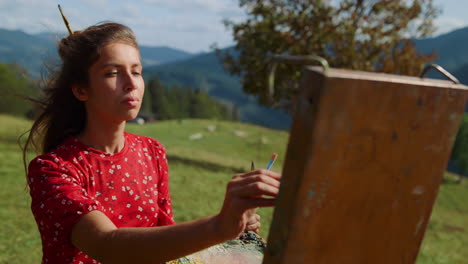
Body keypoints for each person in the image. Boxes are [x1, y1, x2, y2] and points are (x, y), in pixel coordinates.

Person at [22, 22, 281, 264]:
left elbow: (163, 237)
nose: (131, 83)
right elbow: (106, 246)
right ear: (81, 90)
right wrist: (218, 226)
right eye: (113, 73)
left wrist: (233, 228)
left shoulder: (150, 151)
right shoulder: (52, 169)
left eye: (136, 71)